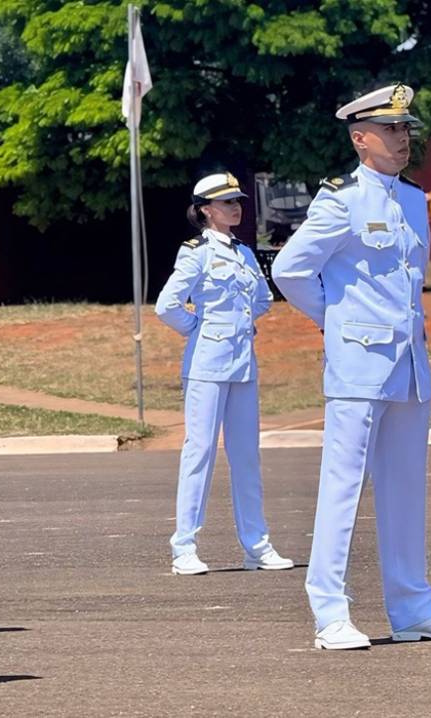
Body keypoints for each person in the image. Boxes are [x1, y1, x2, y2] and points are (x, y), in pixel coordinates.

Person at [273, 84, 431, 650]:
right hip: (358, 363)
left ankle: (413, 607)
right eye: (390, 130)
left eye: (406, 129)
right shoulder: (341, 199)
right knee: (342, 490)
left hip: (408, 365)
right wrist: (336, 319)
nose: (402, 138)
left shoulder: (413, 199)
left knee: (405, 490)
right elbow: (291, 270)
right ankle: (329, 613)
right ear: (360, 137)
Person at [154, 172, 293, 576]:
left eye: (237, 201)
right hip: (206, 365)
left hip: (242, 363)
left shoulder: (245, 253)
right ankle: (184, 547)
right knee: (199, 453)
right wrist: (198, 329)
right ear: (205, 210)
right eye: (226, 202)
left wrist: (243, 324)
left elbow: (264, 299)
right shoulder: (195, 251)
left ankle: (257, 545)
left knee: (247, 456)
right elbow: (168, 305)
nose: (235, 207)